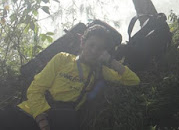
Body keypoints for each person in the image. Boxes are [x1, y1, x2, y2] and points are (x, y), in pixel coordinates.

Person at [0, 24, 140, 130]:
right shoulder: (62, 59)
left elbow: (133, 80)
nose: (94, 50)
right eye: (91, 45)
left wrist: (110, 61)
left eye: (100, 48)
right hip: (29, 113)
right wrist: (42, 121)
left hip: (59, 121)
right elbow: (35, 89)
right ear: (82, 43)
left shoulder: (100, 71)